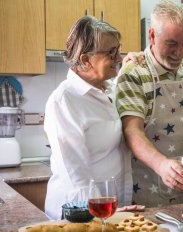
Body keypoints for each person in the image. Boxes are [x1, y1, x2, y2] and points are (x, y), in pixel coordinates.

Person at [44, 15, 132, 219]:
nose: (118, 58)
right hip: (80, 213)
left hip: (109, 209)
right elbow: (77, 175)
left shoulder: (107, 90)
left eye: (118, 50)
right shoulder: (64, 101)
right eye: (111, 52)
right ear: (85, 59)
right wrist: (101, 212)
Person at [114, 0, 183, 207]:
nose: (179, 53)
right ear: (152, 35)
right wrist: (162, 165)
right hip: (149, 193)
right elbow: (132, 132)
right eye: (171, 44)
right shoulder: (134, 72)